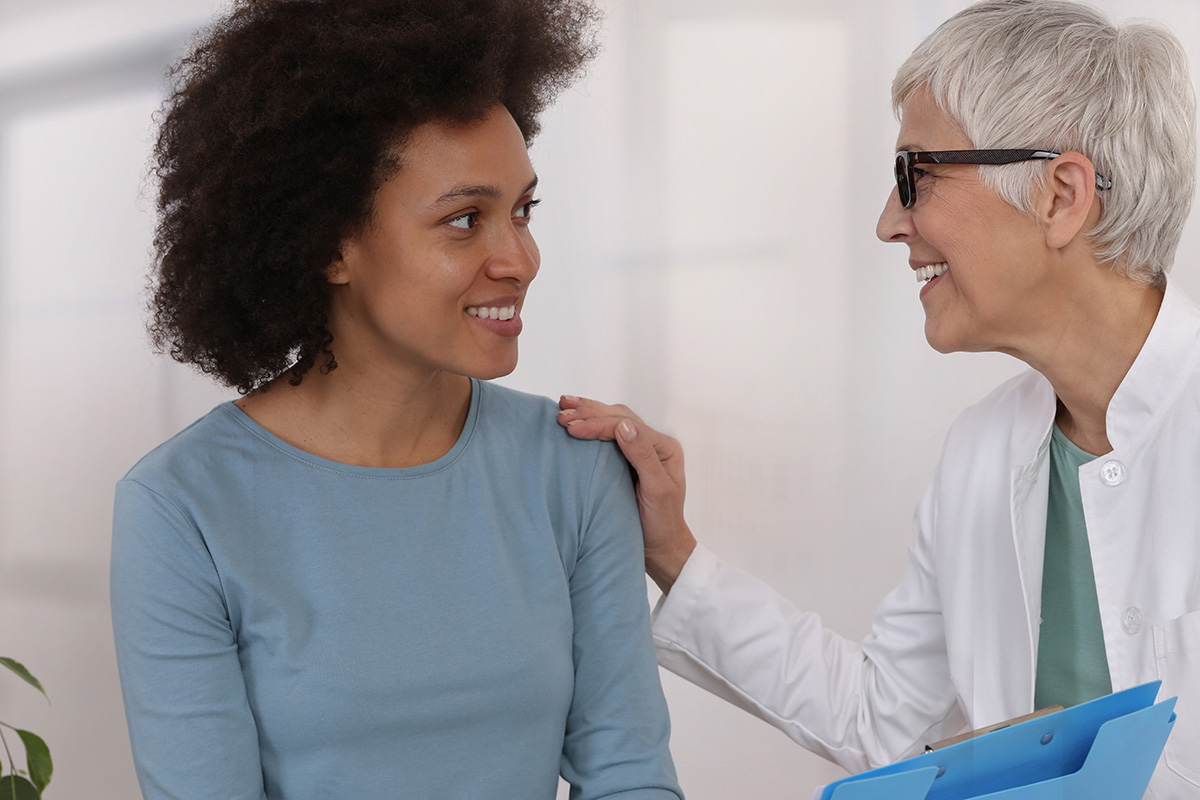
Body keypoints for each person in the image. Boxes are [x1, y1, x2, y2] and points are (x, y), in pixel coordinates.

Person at [558, 1, 1199, 797]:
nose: (890, 223)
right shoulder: (982, 451)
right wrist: (671, 552)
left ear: (1061, 196)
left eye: (916, 175)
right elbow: (883, 718)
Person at [109, 1, 683, 798]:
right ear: (329, 243)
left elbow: (630, 778)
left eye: (523, 210)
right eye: (464, 219)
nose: (520, 258)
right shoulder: (182, 508)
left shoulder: (573, 471)